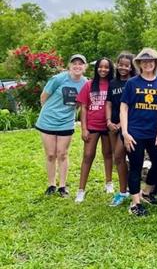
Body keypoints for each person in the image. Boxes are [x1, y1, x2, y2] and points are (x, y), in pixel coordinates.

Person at [120, 48, 157, 216]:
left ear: (156, 63)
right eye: (144, 61)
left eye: (151, 61)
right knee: (135, 166)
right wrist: (125, 133)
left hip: (154, 133)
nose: (148, 64)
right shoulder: (132, 83)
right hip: (135, 133)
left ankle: (146, 192)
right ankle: (135, 204)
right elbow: (124, 108)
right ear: (139, 64)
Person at [35, 54, 87, 197]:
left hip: (66, 122)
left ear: (85, 67)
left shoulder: (85, 83)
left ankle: (62, 186)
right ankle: (51, 184)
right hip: (48, 121)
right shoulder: (58, 79)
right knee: (51, 154)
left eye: (80, 64)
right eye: (74, 63)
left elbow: (80, 103)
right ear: (69, 66)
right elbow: (43, 97)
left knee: (62, 154)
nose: (77, 66)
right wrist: (50, 112)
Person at [75, 57, 115, 203]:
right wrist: (83, 128)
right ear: (96, 68)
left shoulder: (112, 84)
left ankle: (109, 182)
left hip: (107, 126)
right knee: (88, 156)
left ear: (110, 69)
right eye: (100, 67)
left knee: (108, 154)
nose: (103, 70)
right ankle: (81, 190)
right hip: (92, 125)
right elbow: (83, 107)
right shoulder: (89, 85)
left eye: (106, 67)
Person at [105, 52, 136, 206]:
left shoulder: (134, 82)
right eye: (120, 64)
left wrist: (122, 124)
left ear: (131, 67)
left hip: (130, 125)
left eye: (126, 65)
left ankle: (129, 190)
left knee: (120, 155)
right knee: (118, 158)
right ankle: (124, 191)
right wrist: (109, 120)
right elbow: (109, 103)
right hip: (114, 125)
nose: (123, 67)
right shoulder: (113, 83)